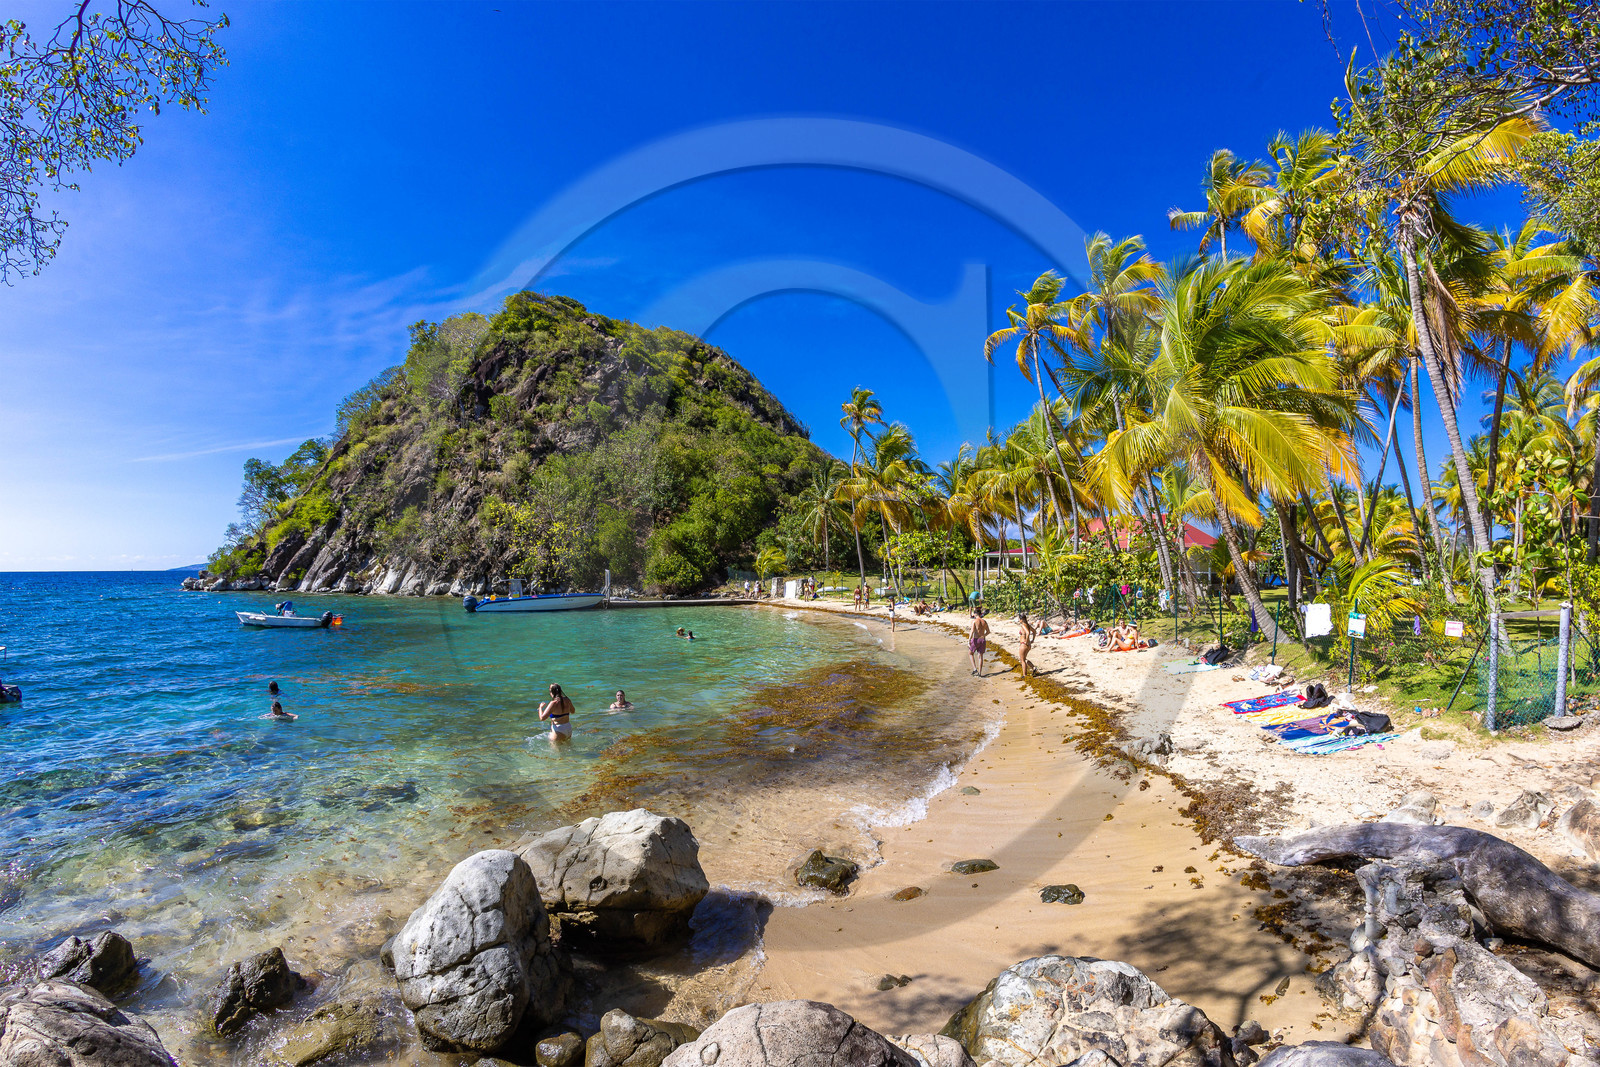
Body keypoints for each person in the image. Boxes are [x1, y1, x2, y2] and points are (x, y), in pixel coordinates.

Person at [968, 608, 990, 676]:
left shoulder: (974, 621)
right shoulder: (984, 621)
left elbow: (972, 631)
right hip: (982, 640)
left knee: (970, 653)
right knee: (980, 656)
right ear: (980, 614)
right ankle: (980, 673)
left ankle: (975, 669)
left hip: (976, 639)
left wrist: (969, 640)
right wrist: (984, 635)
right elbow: (988, 631)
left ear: (975, 614)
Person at [1017, 612, 1039, 676]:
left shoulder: (1023, 625)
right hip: (1028, 645)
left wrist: (1026, 641)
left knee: (1022, 660)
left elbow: (1027, 633)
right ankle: (1033, 668)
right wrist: (1032, 640)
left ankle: (1024, 675)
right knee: (1024, 659)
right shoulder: (1028, 625)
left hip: (1024, 644)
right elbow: (1034, 631)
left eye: (1019, 619)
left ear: (1021, 619)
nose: (1019, 620)